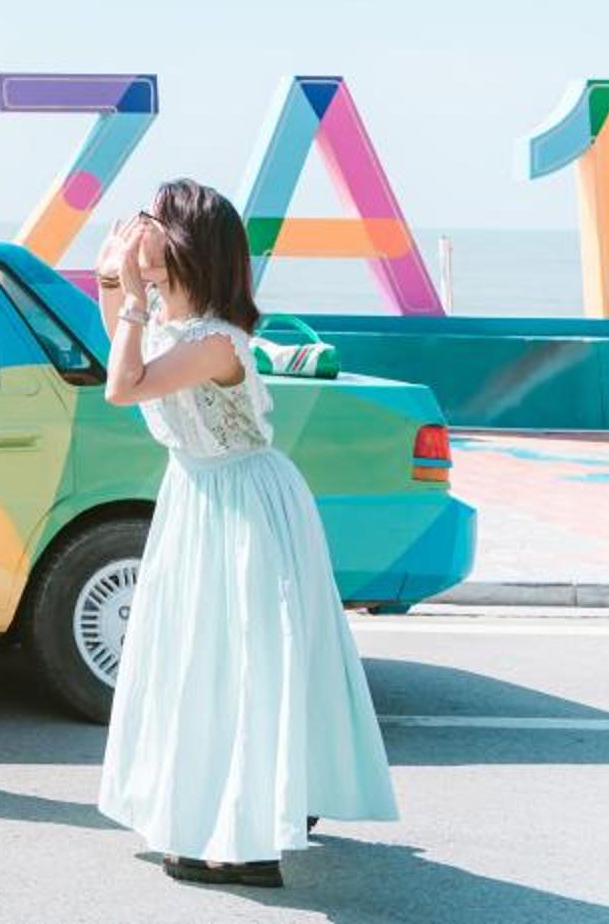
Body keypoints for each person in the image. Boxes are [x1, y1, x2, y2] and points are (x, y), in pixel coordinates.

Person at [94, 179, 397, 888]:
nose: (142, 233)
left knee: (241, 662)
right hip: (199, 494)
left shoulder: (216, 342)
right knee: (199, 657)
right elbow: (120, 346)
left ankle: (247, 839)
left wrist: (129, 291)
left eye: (154, 223)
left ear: (186, 246)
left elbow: (122, 386)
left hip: (242, 502)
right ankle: (252, 807)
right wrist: (113, 278)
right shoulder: (171, 327)